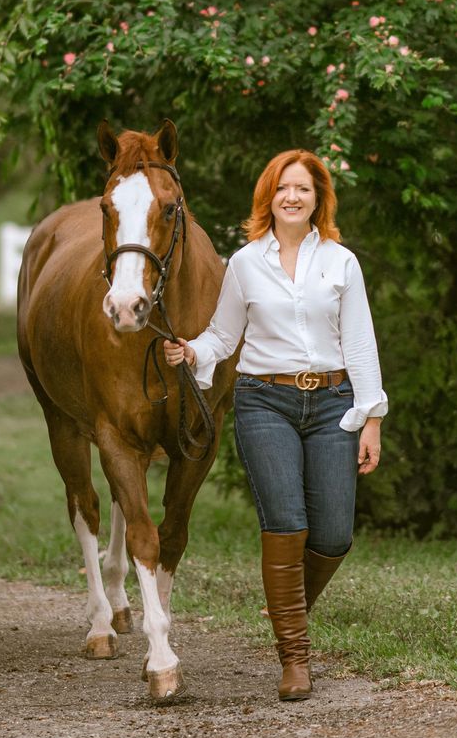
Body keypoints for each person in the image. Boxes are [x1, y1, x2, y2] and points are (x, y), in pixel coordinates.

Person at [164, 148, 385, 702]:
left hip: (335, 402)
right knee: (286, 522)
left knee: (334, 534)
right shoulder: (243, 264)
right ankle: (295, 656)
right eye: (283, 188)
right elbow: (223, 336)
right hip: (265, 402)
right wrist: (192, 351)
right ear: (269, 196)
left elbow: (360, 344)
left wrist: (372, 418)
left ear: (318, 200)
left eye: (304, 189)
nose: (292, 196)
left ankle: (285, 602)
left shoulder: (342, 263)